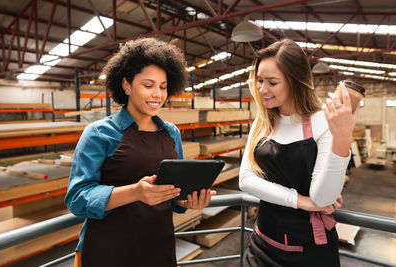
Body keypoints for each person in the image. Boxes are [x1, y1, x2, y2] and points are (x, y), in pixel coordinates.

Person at [65, 37, 216, 267]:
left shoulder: (171, 133)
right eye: (148, 85)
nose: (157, 94)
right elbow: (77, 198)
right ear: (126, 85)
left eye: (163, 87)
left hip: (159, 249)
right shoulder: (99, 133)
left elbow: (174, 195)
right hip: (108, 252)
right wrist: (135, 192)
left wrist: (188, 202)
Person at [239, 39, 359, 267]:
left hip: (308, 251)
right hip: (262, 242)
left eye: (272, 82)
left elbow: (323, 198)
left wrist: (342, 138)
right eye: (260, 81)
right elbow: (246, 180)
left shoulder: (322, 122)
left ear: (295, 81)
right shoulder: (263, 120)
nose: (262, 89)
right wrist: (301, 201)